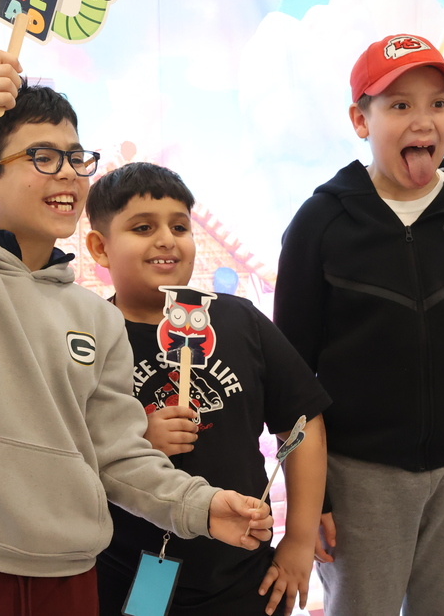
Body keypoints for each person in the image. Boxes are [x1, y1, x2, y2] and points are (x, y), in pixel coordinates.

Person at [0, 51, 273, 616]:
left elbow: (118, 455)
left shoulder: (97, 317)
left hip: (69, 581)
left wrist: (200, 505)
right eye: (43, 157)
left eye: (76, 157)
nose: (70, 172)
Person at [273, 34, 444, 615]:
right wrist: (307, 499)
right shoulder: (321, 222)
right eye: (399, 106)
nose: (424, 121)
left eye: (438, 103)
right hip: (358, 477)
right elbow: (289, 379)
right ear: (359, 120)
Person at [84, 162, 331, 616]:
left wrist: (298, 539)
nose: (166, 239)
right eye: (142, 227)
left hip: (241, 580)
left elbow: (302, 423)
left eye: (180, 226)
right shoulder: (87, 340)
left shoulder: (240, 321)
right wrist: (135, 437)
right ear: (100, 247)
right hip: (121, 577)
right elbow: (65, 450)